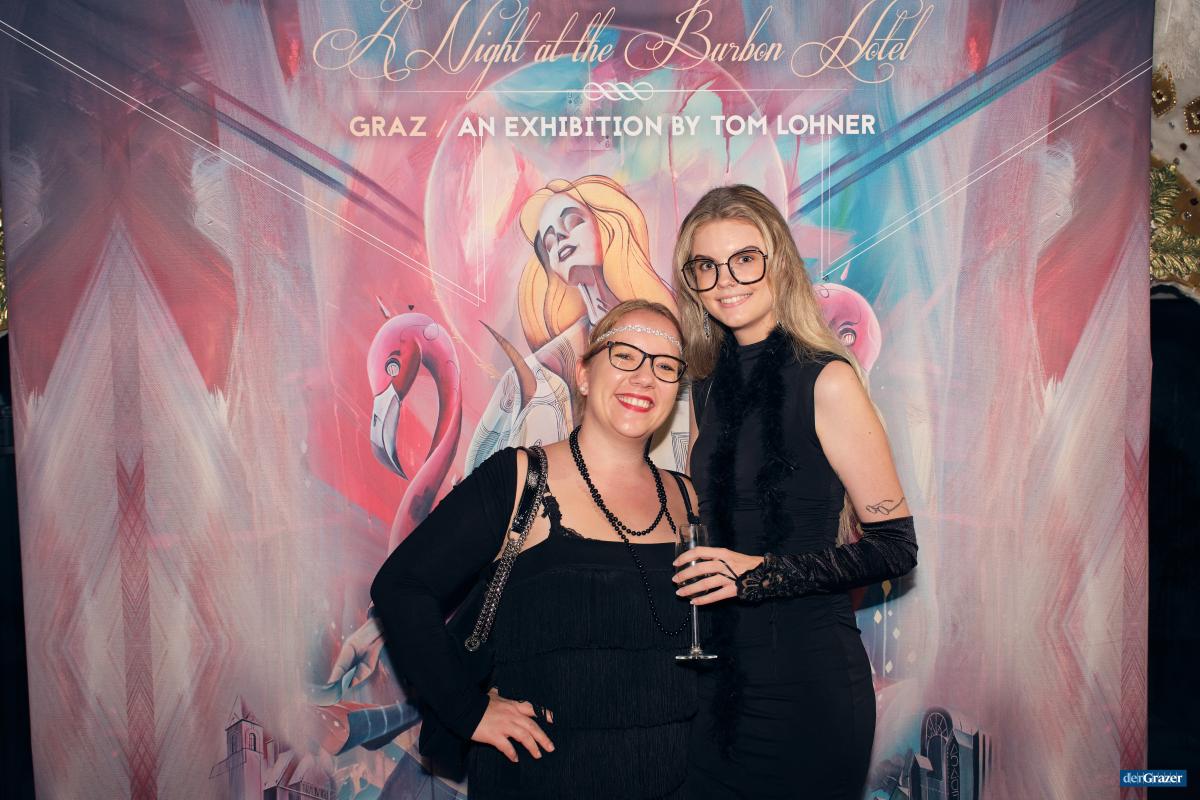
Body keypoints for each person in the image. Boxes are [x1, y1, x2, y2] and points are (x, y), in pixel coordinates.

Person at [371, 299, 699, 799]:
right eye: (624, 356)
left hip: (672, 780)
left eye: (665, 365)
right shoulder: (520, 478)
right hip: (541, 781)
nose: (644, 377)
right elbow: (401, 587)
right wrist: (469, 712)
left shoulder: (689, 500)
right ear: (584, 374)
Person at [670, 185, 918, 799]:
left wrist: (758, 575)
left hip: (808, 686)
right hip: (719, 684)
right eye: (706, 266)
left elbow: (896, 548)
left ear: (778, 262)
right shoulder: (704, 388)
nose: (726, 281)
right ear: (692, 282)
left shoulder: (827, 379)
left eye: (744, 259)